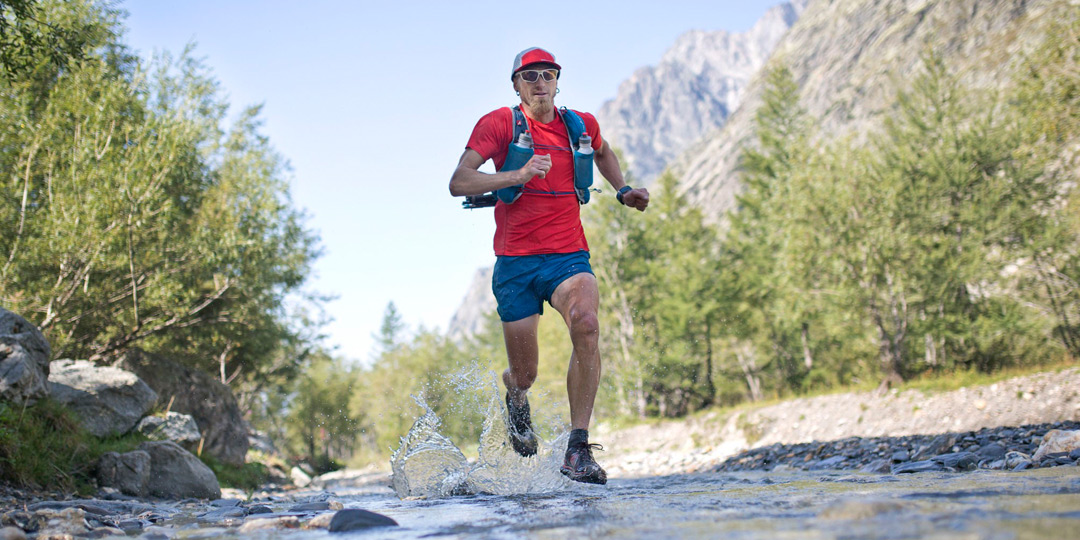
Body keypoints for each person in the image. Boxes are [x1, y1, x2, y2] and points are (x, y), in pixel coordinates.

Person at [449, 47, 649, 485]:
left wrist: (623, 189)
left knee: (587, 324)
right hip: (516, 262)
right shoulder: (499, 124)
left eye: (548, 75)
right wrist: (514, 177)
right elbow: (459, 182)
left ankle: (578, 447)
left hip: (568, 256)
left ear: (558, 81)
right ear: (516, 84)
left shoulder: (581, 125)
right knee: (525, 373)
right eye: (530, 76)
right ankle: (516, 396)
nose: (540, 82)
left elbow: (604, 152)